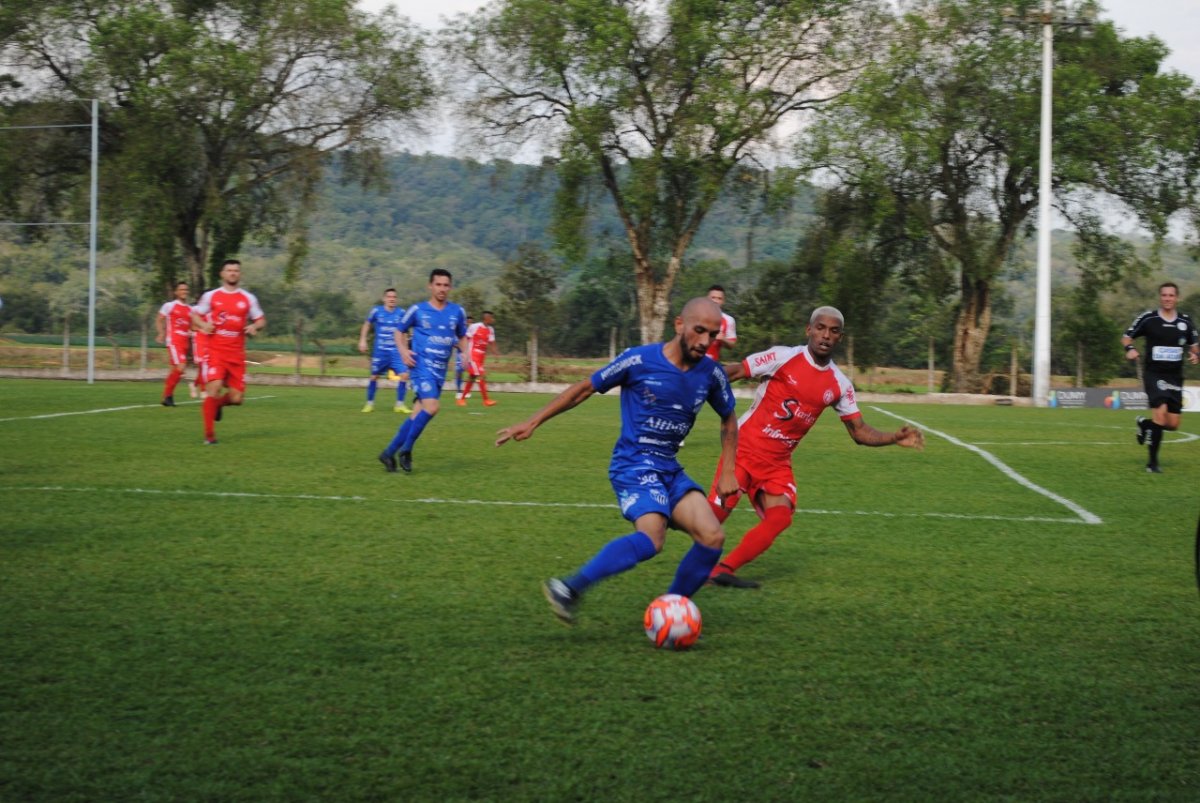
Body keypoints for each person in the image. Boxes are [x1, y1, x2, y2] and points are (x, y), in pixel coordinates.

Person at [496, 297, 740, 624]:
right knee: (653, 537)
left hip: (669, 469)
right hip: (634, 464)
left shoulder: (711, 373)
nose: (706, 342)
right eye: (699, 331)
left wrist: (727, 470)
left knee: (713, 536)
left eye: (713, 335)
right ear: (679, 325)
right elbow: (584, 389)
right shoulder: (638, 360)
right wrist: (533, 421)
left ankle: (671, 609)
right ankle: (568, 588)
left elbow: (729, 418)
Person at [706, 306, 926, 589]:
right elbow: (734, 371)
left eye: (834, 331)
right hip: (745, 449)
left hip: (777, 463)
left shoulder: (839, 384)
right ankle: (671, 532)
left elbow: (859, 432)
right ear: (809, 330)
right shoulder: (783, 356)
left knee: (780, 517)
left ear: (841, 338)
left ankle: (723, 569)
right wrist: (691, 382)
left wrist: (894, 437)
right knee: (710, 523)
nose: (826, 335)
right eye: (820, 328)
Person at [377, 269, 468, 473]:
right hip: (420, 366)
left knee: (417, 413)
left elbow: (462, 336)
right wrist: (402, 351)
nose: (442, 289)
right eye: (438, 284)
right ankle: (406, 450)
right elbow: (399, 330)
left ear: (450, 287)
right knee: (432, 406)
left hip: (439, 370)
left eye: (446, 285)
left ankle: (388, 453)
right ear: (430, 286)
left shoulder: (457, 312)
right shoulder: (418, 310)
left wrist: (466, 353)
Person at [1123, 282, 1200, 473]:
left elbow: (1194, 345)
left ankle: (1144, 424)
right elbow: (1126, 336)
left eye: (1171, 295)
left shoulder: (1186, 321)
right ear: (1160, 297)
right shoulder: (1149, 318)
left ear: (1177, 298)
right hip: (1154, 374)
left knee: (1172, 424)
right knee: (1160, 412)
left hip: (1175, 377)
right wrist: (1130, 348)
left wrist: (1195, 354)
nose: (1167, 298)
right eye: (1164, 295)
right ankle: (1152, 463)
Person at [190, 259, 266, 445]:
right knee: (213, 389)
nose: (233, 273)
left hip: (236, 356)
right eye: (229, 270)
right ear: (222, 274)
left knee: (237, 398)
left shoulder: (248, 299)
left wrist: (255, 326)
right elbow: (193, 314)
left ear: (239, 274)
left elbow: (261, 320)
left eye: (236, 270)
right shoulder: (211, 296)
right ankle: (210, 436)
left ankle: (217, 405)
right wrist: (203, 324)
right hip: (215, 352)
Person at [358, 288, 411, 414]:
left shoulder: (401, 313)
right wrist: (362, 340)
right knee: (374, 376)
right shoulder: (377, 311)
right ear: (384, 299)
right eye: (389, 296)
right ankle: (369, 404)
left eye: (394, 297)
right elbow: (367, 324)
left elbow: (404, 332)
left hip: (396, 352)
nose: (392, 299)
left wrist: (406, 349)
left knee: (404, 375)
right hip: (380, 352)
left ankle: (399, 405)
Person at [155, 281, 192, 406]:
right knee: (181, 366)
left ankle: (167, 397)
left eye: (186, 289)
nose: (184, 292)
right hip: (174, 341)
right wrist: (161, 333)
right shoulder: (169, 306)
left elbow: (191, 326)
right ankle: (167, 396)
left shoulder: (190, 309)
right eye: (181, 289)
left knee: (174, 372)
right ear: (176, 292)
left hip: (184, 343)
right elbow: (159, 319)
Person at [458, 310, 499, 407]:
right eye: (491, 318)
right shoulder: (474, 327)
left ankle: (461, 399)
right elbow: (466, 338)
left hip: (481, 357)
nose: (493, 320)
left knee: (472, 378)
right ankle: (486, 400)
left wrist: (496, 354)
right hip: (473, 355)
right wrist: (464, 352)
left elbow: (492, 342)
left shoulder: (490, 330)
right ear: (486, 318)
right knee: (481, 375)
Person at [704, 284, 738, 361]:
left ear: (723, 301)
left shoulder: (729, 320)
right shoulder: (697, 314)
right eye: (713, 298)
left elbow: (732, 345)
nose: (716, 301)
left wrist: (722, 338)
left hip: (711, 363)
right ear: (707, 299)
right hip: (691, 361)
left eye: (719, 298)